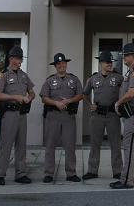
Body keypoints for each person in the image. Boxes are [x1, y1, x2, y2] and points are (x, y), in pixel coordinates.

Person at [0, 45, 35, 185]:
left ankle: (20, 174)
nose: (20, 61)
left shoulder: (24, 75)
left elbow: (32, 92)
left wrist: (30, 97)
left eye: (21, 58)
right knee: (6, 145)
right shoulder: (3, 74)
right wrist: (16, 97)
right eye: (18, 58)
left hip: (22, 114)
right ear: (11, 59)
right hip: (9, 114)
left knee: (21, 145)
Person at [40, 52, 84, 183]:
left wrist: (69, 101)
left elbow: (80, 95)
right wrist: (56, 103)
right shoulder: (49, 80)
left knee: (70, 145)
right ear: (55, 66)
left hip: (68, 117)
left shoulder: (74, 79)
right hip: (52, 116)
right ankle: (48, 173)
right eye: (58, 64)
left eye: (63, 63)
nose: (61, 65)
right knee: (50, 145)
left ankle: (71, 173)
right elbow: (43, 98)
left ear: (66, 64)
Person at [82, 51, 124, 181]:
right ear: (100, 63)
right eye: (107, 62)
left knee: (115, 144)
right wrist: (90, 104)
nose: (109, 65)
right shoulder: (93, 78)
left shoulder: (118, 78)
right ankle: (92, 171)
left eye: (111, 62)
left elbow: (126, 92)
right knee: (95, 144)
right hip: (97, 116)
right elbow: (84, 94)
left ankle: (117, 171)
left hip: (112, 115)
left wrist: (120, 105)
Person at [111, 43, 134, 189]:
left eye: (125, 56)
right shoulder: (130, 71)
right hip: (133, 114)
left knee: (129, 147)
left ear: (132, 56)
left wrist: (117, 103)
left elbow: (131, 93)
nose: (124, 58)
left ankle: (126, 180)